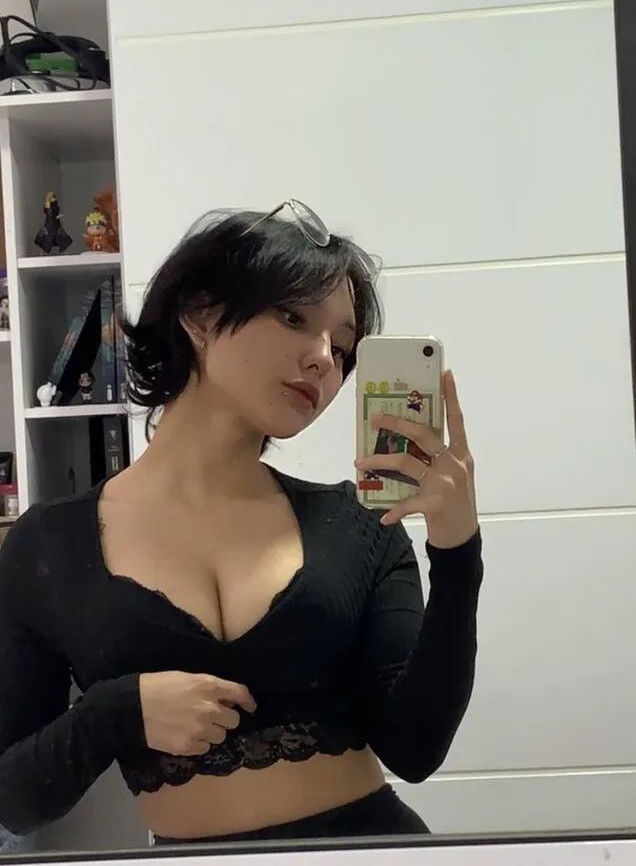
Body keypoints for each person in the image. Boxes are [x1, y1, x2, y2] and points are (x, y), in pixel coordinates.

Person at [0, 201, 483, 844]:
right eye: (294, 317)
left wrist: (457, 550)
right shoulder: (47, 545)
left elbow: (416, 749)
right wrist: (116, 713)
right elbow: (15, 802)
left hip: (373, 852)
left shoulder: (360, 526)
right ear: (200, 314)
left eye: (342, 348)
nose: (324, 359)